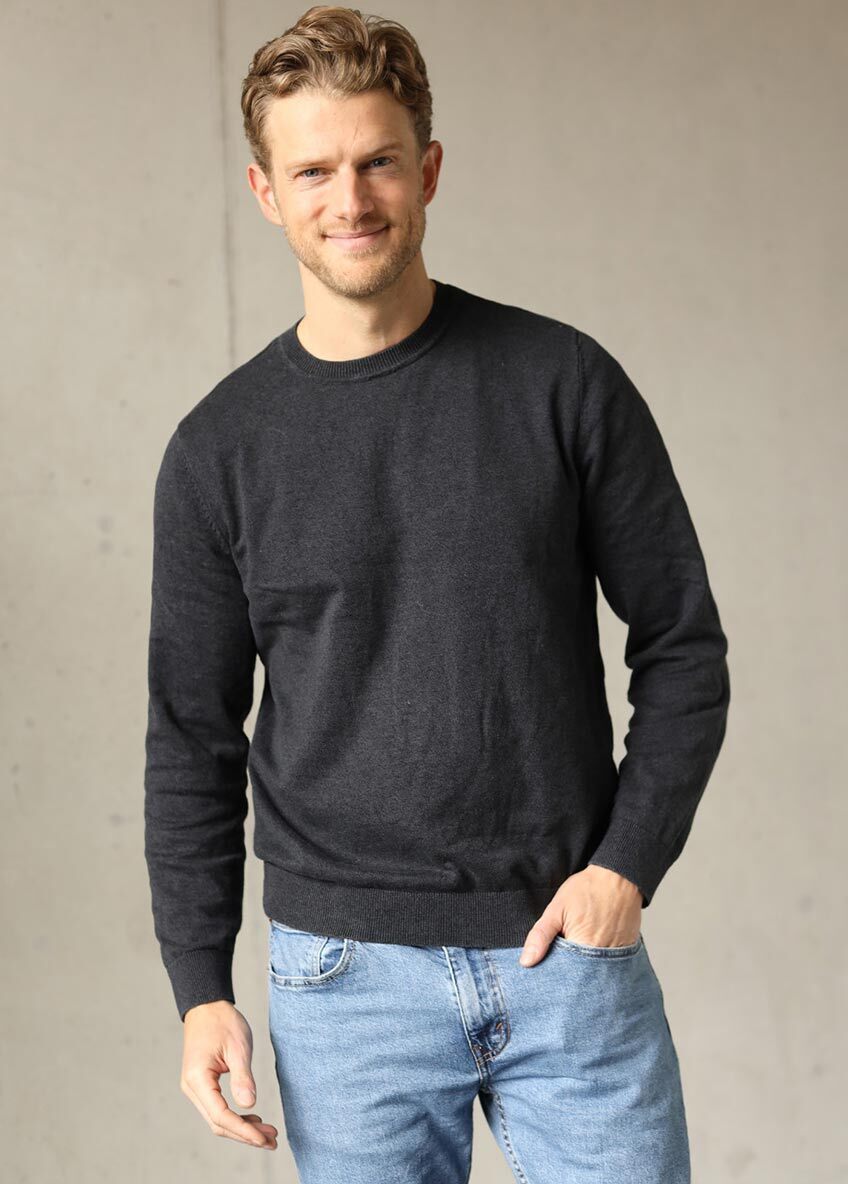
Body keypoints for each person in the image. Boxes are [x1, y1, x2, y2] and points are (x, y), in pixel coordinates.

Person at [143, 6, 730, 1181]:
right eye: (313, 171)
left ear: (429, 169)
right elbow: (190, 735)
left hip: (566, 956)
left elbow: (681, 645)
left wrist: (625, 867)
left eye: (378, 161)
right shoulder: (219, 452)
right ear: (265, 191)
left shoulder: (561, 384)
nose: (349, 199)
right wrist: (198, 986)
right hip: (342, 983)